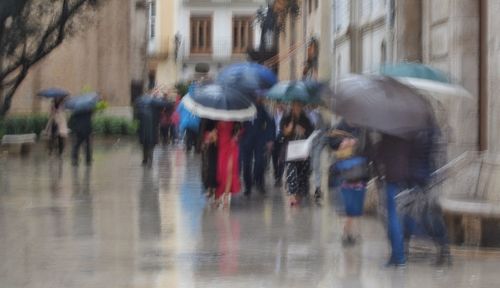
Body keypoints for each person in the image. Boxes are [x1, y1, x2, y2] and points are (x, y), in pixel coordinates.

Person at [376, 124, 450, 267]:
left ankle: (443, 249)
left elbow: (437, 156)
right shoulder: (403, 129)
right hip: (405, 178)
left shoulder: (429, 131)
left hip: (424, 180)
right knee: (405, 215)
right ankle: (404, 248)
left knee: (429, 217)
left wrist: (434, 179)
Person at [328, 120, 370, 246]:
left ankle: (352, 233)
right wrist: (343, 143)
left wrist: (356, 144)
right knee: (347, 206)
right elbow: (331, 143)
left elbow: (367, 148)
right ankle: (347, 233)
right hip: (343, 173)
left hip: (359, 172)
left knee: (356, 204)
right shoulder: (339, 127)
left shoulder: (363, 129)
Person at [240, 96, 275, 196]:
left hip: (259, 140)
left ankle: (259, 182)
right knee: (246, 164)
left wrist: (270, 139)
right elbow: (238, 122)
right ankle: (248, 186)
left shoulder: (262, 109)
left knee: (260, 162)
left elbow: (270, 123)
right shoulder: (244, 107)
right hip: (246, 140)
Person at [281, 101, 314, 206]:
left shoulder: (306, 119)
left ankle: (300, 193)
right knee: (291, 171)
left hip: (303, 149)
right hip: (290, 148)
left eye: (299, 105)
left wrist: (303, 131)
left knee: (302, 173)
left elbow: (311, 133)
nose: (296, 108)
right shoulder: (287, 117)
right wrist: (289, 129)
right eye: (294, 105)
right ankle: (292, 195)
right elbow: (283, 132)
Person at [215, 121, 241, 208]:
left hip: (231, 145)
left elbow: (240, 129)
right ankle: (218, 196)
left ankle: (226, 196)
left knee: (230, 171)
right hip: (221, 148)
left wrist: (236, 135)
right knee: (221, 173)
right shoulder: (216, 118)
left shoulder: (234, 118)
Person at [200, 119, 218, 199]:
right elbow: (202, 129)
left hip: (214, 142)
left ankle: (212, 188)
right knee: (207, 165)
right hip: (207, 142)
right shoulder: (205, 115)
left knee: (211, 166)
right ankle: (209, 188)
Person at [272, 102, 286, 187]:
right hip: (274, 139)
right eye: (279, 104)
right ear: (276, 105)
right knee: (274, 158)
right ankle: (276, 172)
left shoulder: (286, 115)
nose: (280, 105)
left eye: (282, 104)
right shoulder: (272, 114)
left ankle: (279, 178)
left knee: (281, 159)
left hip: (283, 140)